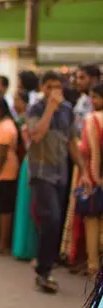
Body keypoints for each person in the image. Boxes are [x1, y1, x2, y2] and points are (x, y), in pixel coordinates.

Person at [27, 71, 91, 294]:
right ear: (43, 88)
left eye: (59, 87)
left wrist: (83, 171)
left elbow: (71, 141)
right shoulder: (36, 108)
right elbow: (36, 135)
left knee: (54, 221)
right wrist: (50, 108)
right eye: (51, 87)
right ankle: (44, 271)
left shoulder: (67, 110)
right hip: (41, 172)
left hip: (60, 172)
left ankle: (45, 266)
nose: (55, 92)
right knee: (51, 218)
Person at [0, 95, 20, 255]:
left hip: (5, 171)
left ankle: (3, 242)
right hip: (2, 171)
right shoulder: (1, 124)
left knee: (4, 209)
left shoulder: (6, 126)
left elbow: (2, 155)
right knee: (1, 206)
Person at [78, 83, 103, 276]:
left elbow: (85, 150)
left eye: (95, 97)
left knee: (92, 221)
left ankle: (94, 267)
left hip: (94, 176)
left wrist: (87, 175)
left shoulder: (92, 119)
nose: (93, 101)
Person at [12, 90, 38, 261]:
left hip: (33, 163)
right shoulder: (22, 121)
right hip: (29, 162)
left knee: (31, 207)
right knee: (26, 206)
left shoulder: (25, 121)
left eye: (16, 99)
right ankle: (23, 247)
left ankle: (29, 248)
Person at [75, 65, 101, 138]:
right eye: (77, 78)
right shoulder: (81, 100)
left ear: (94, 79)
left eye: (82, 78)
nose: (78, 82)